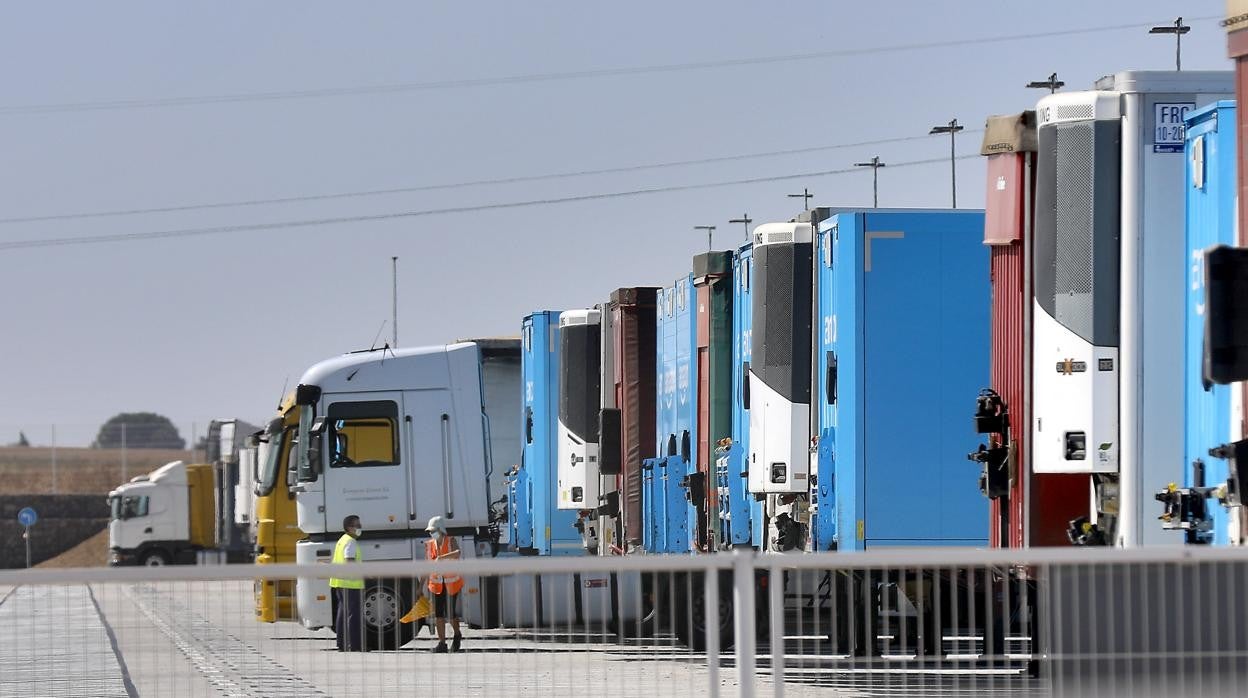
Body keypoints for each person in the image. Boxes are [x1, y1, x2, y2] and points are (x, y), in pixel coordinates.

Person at [424, 515, 463, 653]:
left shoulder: (451, 540)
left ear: (440, 530)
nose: (431, 533)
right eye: (429, 531)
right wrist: (420, 586)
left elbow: (457, 553)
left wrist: (442, 558)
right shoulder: (429, 545)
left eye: (433, 530)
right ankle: (442, 643)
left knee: (451, 614)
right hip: (436, 585)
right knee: (438, 614)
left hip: (451, 584)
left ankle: (457, 634)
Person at [330, 514, 366, 652]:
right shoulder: (350, 541)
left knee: (342, 614)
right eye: (357, 525)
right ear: (349, 528)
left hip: (340, 581)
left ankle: (342, 644)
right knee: (354, 614)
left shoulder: (342, 540)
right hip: (350, 582)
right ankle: (356, 645)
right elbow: (349, 559)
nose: (360, 527)